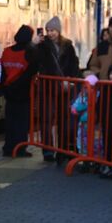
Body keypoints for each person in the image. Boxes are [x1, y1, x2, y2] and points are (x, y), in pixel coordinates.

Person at [29, 16, 79, 161]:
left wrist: (71, 79)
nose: (50, 33)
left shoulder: (68, 45)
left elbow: (73, 64)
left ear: (59, 31)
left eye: (53, 30)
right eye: (48, 30)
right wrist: (33, 44)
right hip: (47, 86)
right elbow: (31, 59)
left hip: (64, 87)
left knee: (63, 118)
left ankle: (62, 149)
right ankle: (48, 150)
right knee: (46, 118)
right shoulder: (42, 45)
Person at [0, 26, 35, 157]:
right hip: (23, 91)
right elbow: (30, 71)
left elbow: (2, 71)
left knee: (10, 121)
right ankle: (20, 148)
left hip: (9, 91)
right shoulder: (29, 52)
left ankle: (8, 148)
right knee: (22, 122)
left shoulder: (7, 51)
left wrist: (4, 87)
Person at [85, 13, 112, 79]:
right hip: (103, 85)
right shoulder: (102, 46)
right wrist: (99, 74)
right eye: (111, 26)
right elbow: (93, 65)